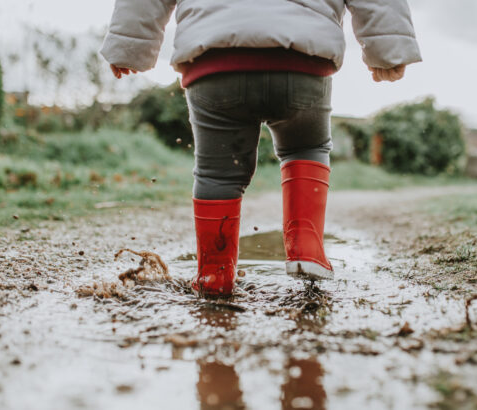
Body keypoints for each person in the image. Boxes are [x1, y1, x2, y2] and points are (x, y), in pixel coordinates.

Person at [101, 0, 421, 297]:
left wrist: (129, 45)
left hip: (213, 58)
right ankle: (306, 248)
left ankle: (214, 273)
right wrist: (389, 48)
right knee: (306, 147)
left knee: (217, 172)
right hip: (303, 58)